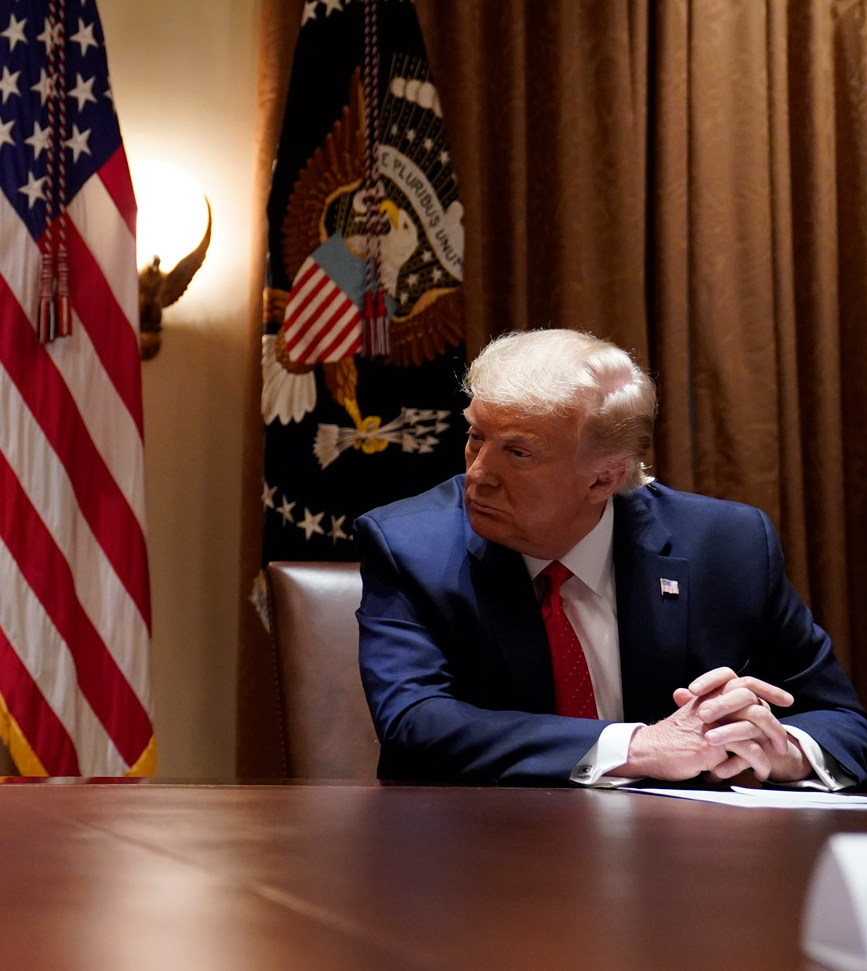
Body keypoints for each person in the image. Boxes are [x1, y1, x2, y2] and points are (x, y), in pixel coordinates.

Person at [355, 328, 865, 786]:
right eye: (475, 437)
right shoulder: (410, 546)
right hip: (486, 854)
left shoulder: (728, 545)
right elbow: (415, 723)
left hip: (686, 856)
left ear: (604, 478)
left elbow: (839, 720)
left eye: (518, 452)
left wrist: (782, 750)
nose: (479, 474)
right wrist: (638, 748)